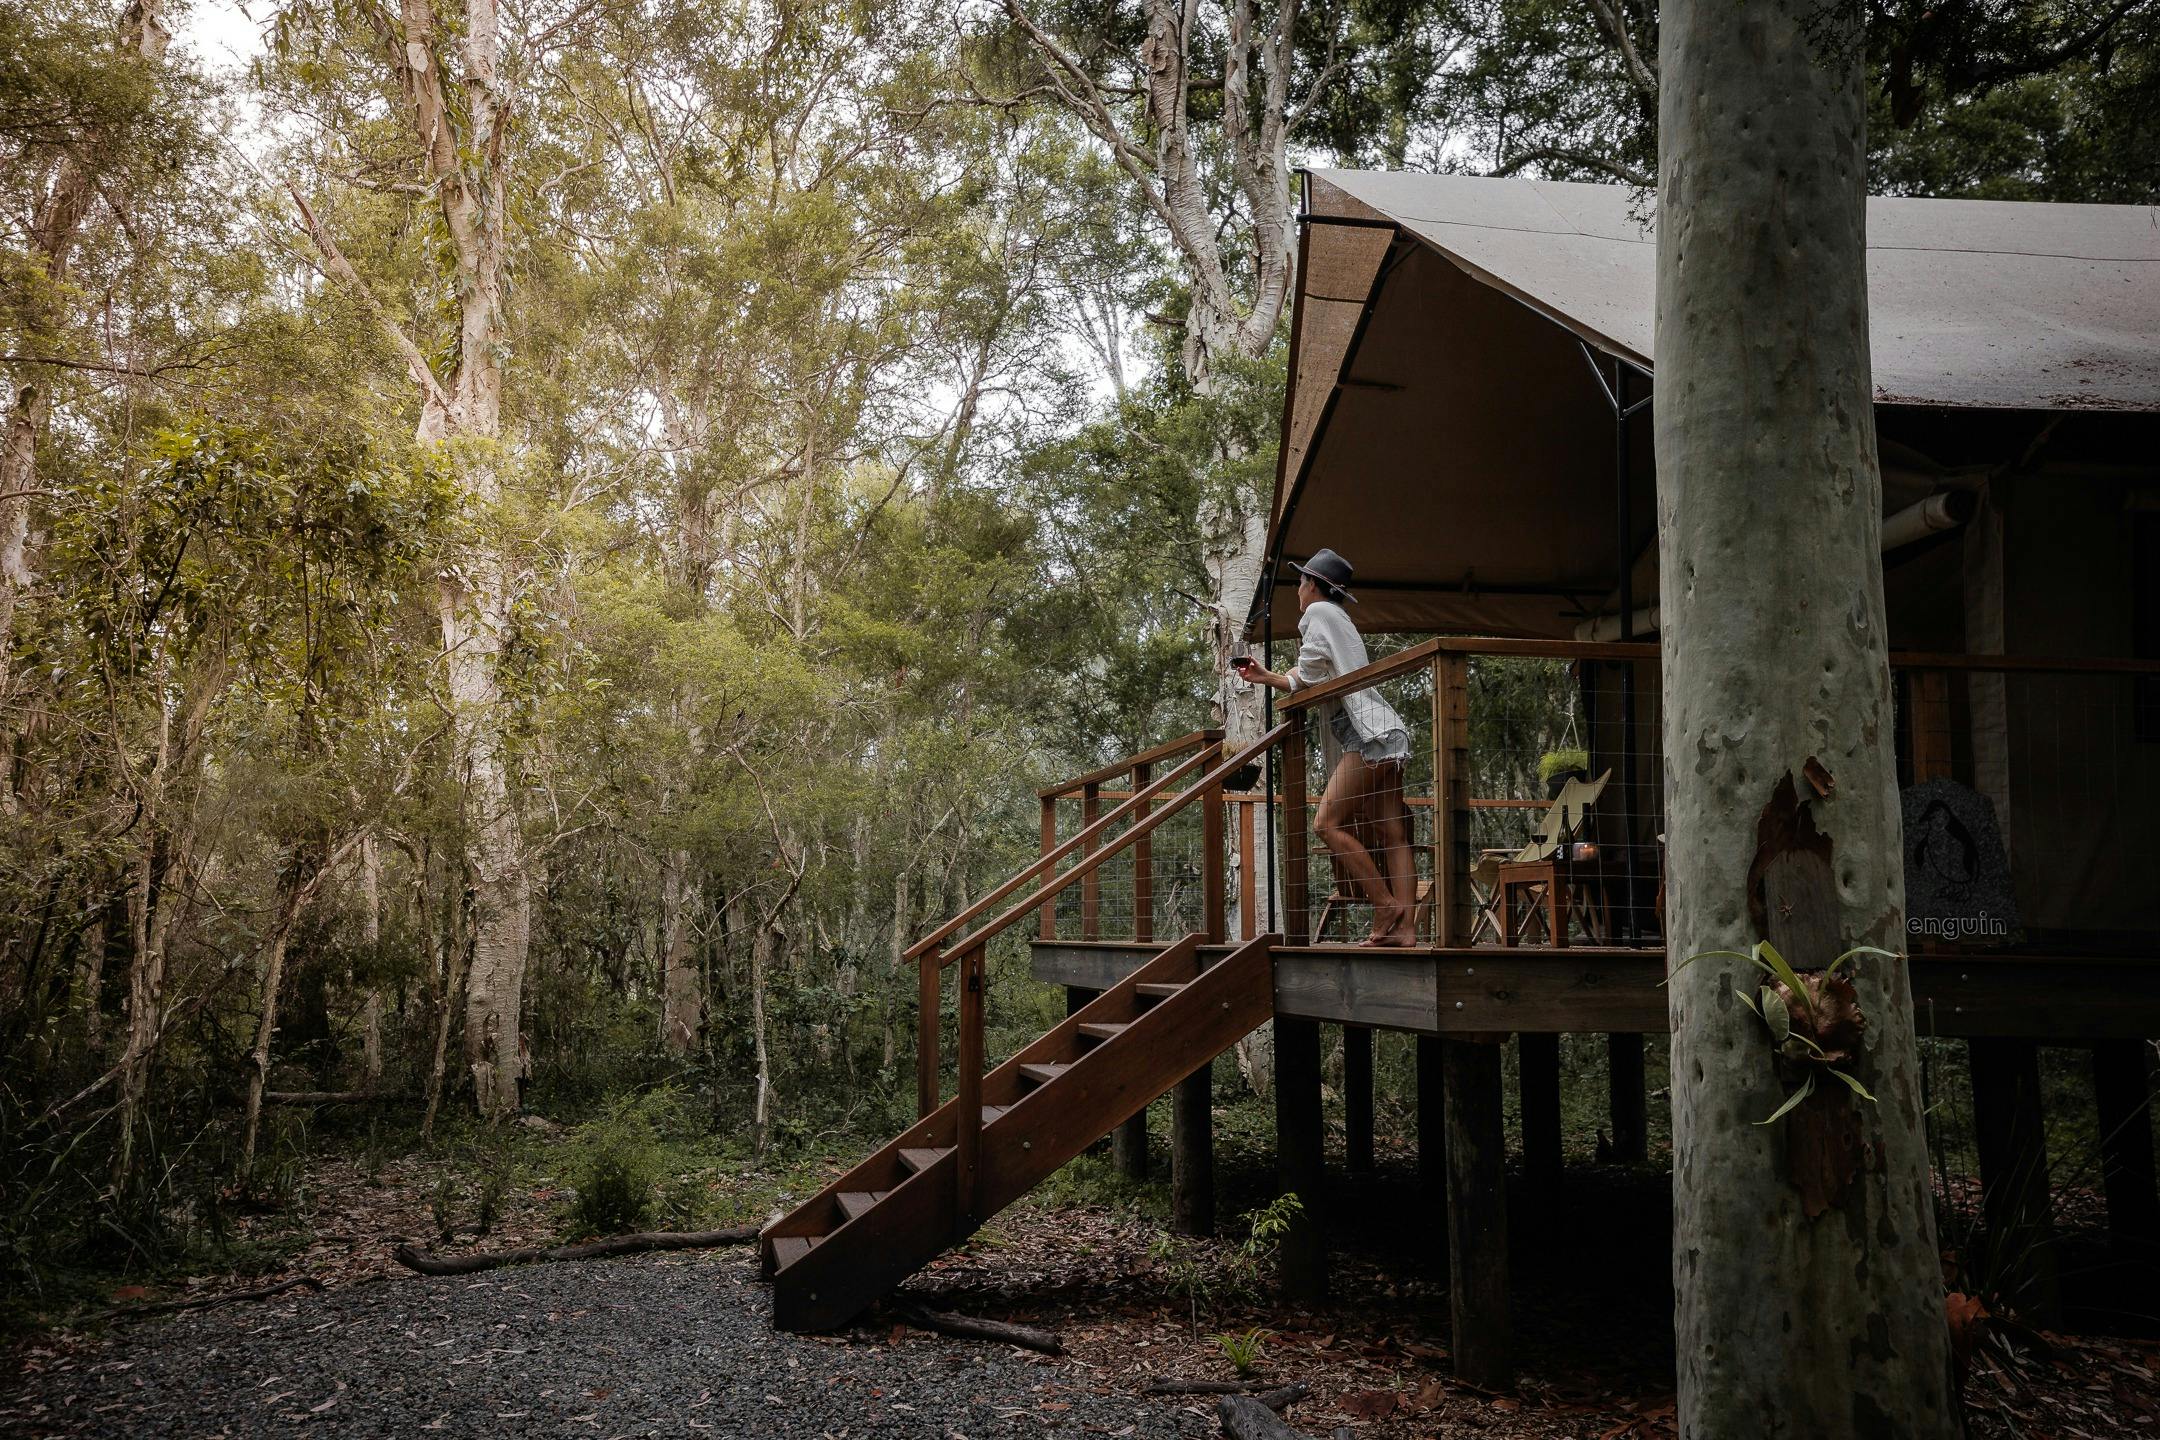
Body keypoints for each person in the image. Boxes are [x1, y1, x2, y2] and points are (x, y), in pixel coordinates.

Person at [1233, 549, 1418, 946]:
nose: (1297, 590)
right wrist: (1268, 677)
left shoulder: (1316, 614)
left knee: (1325, 824)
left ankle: (1385, 904)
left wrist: (1289, 677)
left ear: (1312, 584)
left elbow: (1312, 669)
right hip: (1389, 732)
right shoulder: (1340, 618)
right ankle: (1406, 931)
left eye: (1300, 582)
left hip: (1366, 735)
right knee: (1393, 835)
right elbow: (1314, 674)